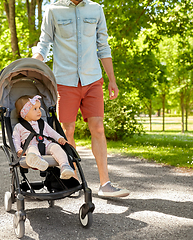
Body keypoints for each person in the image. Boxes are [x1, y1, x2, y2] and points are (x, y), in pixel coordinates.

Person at [32, 0, 130, 197]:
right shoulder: (52, 10)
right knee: (67, 130)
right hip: (65, 81)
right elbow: (44, 42)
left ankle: (105, 183)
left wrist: (112, 80)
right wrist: (35, 62)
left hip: (92, 79)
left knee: (99, 128)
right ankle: (74, 180)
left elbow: (103, 45)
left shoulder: (96, 9)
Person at [12, 95, 75, 179]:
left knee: (56, 147)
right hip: (30, 146)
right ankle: (38, 161)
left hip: (47, 145)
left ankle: (65, 166)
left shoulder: (43, 123)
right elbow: (15, 140)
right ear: (25, 113)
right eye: (35, 109)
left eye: (39, 108)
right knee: (32, 150)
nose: (39, 111)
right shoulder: (19, 126)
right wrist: (19, 150)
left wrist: (59, 138)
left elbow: (52, 133)